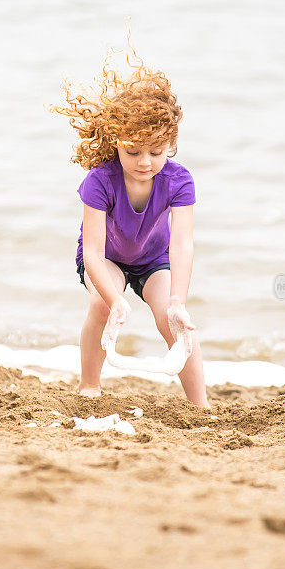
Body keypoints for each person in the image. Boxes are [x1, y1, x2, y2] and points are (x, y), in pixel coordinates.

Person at [49, 43, 210, 409]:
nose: (144, 162)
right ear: (115, 143)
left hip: (154, 261)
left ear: (170, 143)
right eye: (132, 151)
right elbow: (91, 250)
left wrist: (177, 301)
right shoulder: (100, 180)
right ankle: (90, 385)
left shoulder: (179, 181)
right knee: (102, 306)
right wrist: (114, 297)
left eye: (156, 151)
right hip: (107, 259)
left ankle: (201, 405)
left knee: (174, 321)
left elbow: (182, 245)